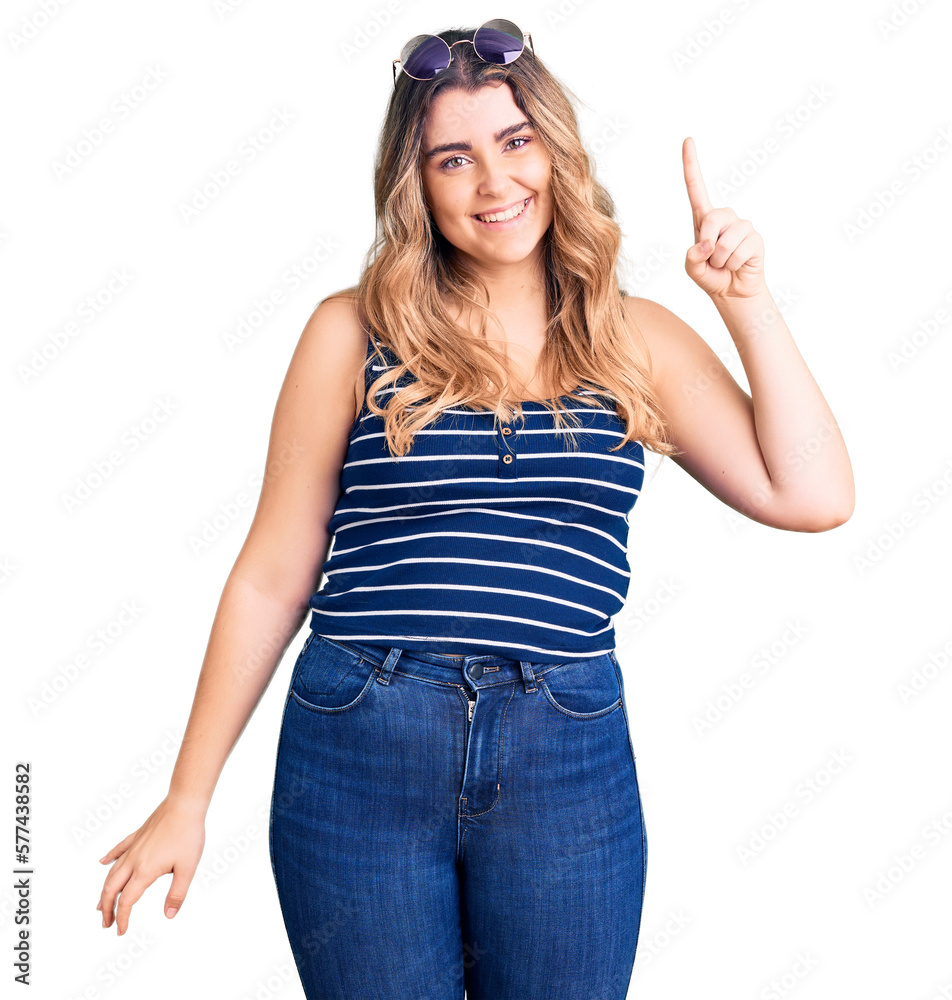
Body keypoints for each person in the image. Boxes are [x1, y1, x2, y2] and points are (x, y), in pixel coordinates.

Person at [95, 19, 854, 1000]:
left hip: (563, 751)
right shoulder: (351, 332)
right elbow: (274, 574)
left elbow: (814, 493)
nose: (494, 183)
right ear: (415, 185)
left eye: (515, 142)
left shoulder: (634, 340)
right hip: (360, 743)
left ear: (555, 149)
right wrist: (187, 796)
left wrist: (746, 302)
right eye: (453, 158)